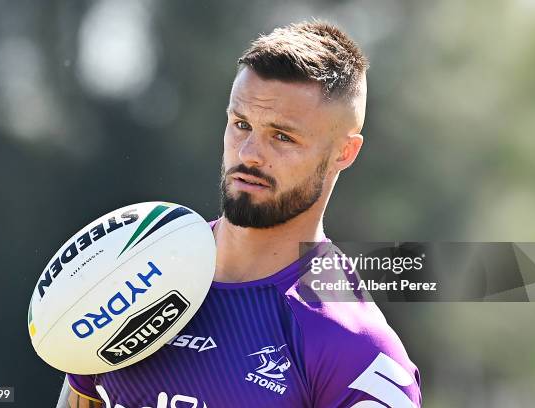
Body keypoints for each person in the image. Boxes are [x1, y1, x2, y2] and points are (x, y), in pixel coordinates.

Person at [58, 20, 422, 408]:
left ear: (344, 153)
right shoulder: (129, 273)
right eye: (241, 124)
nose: (249, 153)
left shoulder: (356, 349)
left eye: (282, 137)